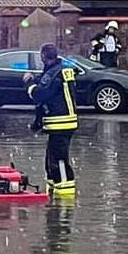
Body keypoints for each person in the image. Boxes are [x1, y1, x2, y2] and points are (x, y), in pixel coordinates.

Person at [26, 43, 81, 196]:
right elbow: (47, 82)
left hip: (60, 122)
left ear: (43, 57)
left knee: (59, 160)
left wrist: (30, 85)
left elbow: (40, 94)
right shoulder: (62, 70)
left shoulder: (54, 73)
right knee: (51, 160)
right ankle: (53, 192)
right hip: (65, 121)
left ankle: (64, 198)